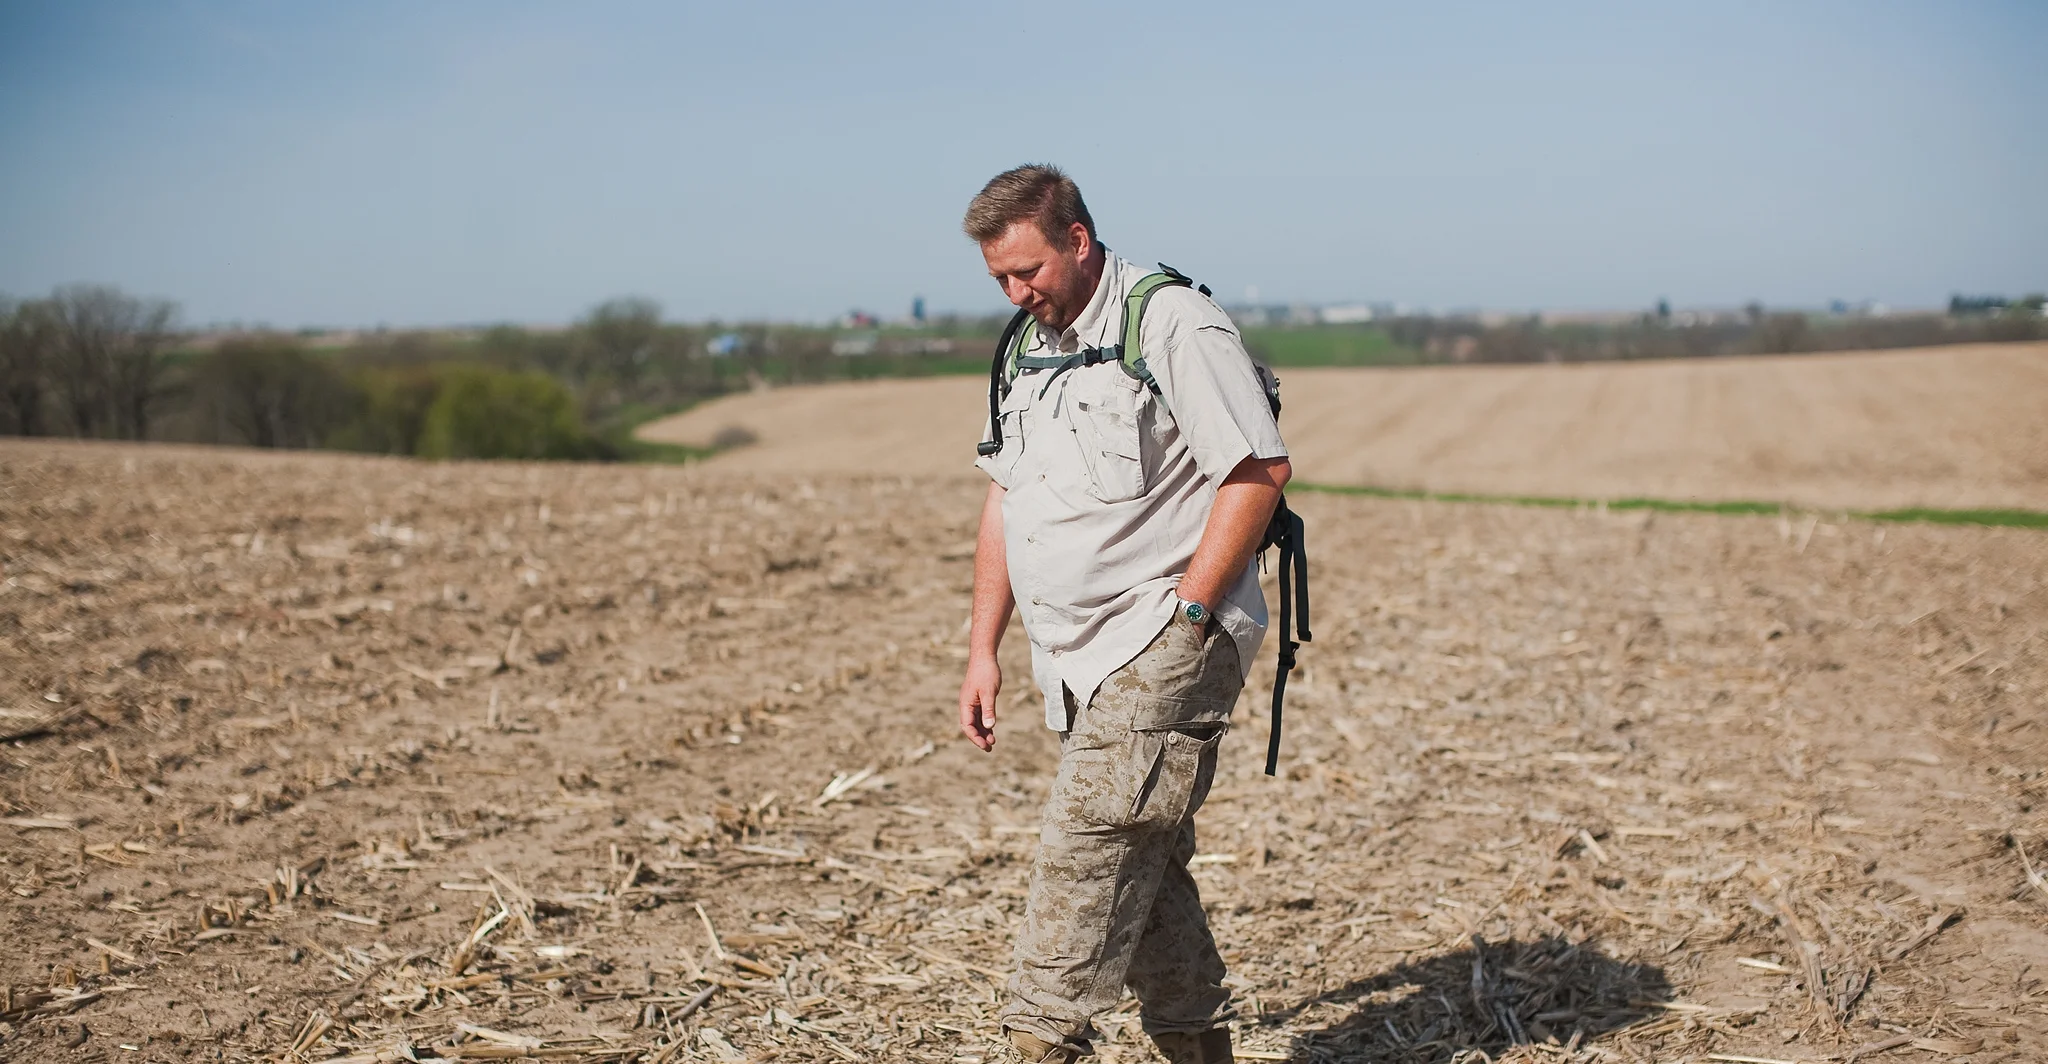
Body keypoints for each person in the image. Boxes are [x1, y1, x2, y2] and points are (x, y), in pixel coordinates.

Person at [956, 164, 1291, 1064]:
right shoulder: (1027, 344)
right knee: (1147, 866)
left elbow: (1257, 472)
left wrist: (1191, 613)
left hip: (1161, 638)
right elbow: (1005, 499)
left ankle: (1039, 1037)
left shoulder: (1174, 323)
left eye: (1028, 271)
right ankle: (1198, 1047)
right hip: (1074, 658)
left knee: (1089, 849)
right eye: (999, 279)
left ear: (1078, 239)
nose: (1016, 294)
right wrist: (983, 648)